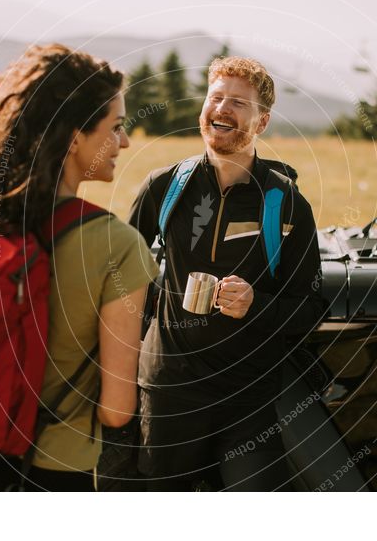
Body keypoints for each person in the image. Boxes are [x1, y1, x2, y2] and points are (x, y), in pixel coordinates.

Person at [0, 44, 158, 491]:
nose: (126, 141)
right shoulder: (115, 245)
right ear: (75, 138)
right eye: (116, 128)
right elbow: (116, 410)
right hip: (50, 473)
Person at [129, 56, 328, 491]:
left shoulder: (288, 205)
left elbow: (310, 307)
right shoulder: (163, 187)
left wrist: (255, 304)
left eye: (238, 102)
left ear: (262, 121)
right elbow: (120, 278)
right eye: (216, 97)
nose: (222, 108)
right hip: (167, 395)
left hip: (247, 400)